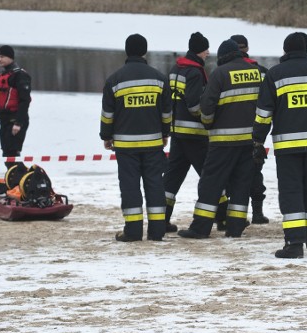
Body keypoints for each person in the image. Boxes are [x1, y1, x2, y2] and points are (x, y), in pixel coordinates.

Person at [253, 32, 307, 258]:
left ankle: (294, 243)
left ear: (285, 50)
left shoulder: (275, 74)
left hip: (287, 146)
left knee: (291, 192)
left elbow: (264, 114)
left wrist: (257, 140)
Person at [178, 39, 260, 239]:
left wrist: (208, 124)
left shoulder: (220, 73)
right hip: (249, 140)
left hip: (223, 140)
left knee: (210, 183)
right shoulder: (255, 73)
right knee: (241, 184)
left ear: (222, 57)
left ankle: (200, 228)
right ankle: (236, 227)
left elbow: (206, 108)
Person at [100, 34, 172, 242]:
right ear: (144, 52)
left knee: (130, 186)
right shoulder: (159, 78)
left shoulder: (114, 80)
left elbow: (108, 114)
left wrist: (106, 136)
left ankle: (132, 232)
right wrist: (165, 133)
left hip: (125, 144)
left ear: (126, 51)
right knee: (155, 185)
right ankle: (157, 231)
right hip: (153, 143)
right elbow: (167, 112)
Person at [163, 32, 210, 232]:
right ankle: (225, 215)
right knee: (210, 175)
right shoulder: (195, 72)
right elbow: (193, 104)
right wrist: (208, 118)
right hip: (194, 134)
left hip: (177, 132)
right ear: (200, 50)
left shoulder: (176, 68)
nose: (208, 54)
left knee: (172, 177)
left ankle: (161, 219)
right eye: (207, 50)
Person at [230, 34, 270, 224]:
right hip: (256, 133)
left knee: (231, 173)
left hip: (229, 133)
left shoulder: (224, 70)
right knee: (255, 173)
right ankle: (257, 214)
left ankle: (234, 215)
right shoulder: (262, 72)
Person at [0, 45, 32, 169]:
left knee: (12, 154)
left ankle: (22, 180)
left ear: (11, 58)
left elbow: (25, 101)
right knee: (6, 154)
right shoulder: (2, 76)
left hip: (16, 118)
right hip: (4, 118)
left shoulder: (20, 75)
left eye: (3, 57)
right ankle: (16, 181)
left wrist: (18, 123)